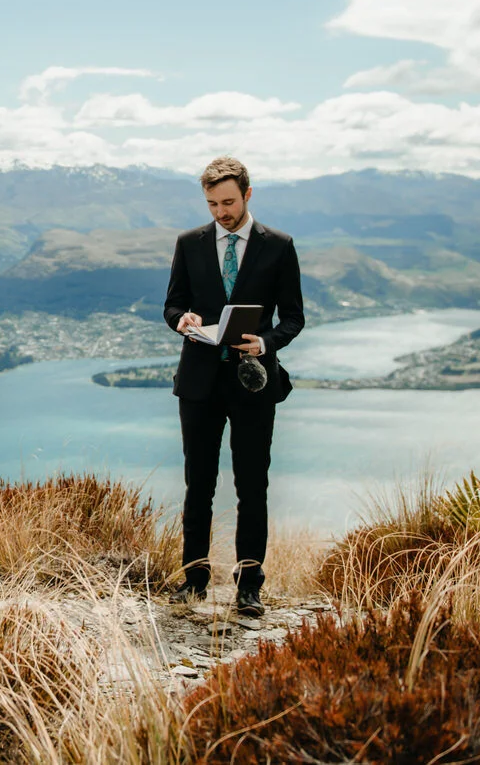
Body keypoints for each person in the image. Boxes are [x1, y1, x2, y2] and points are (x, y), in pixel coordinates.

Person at [162, 156, 304, 617]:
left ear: (247, 193)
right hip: (199, 383)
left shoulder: (279, 246)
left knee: (252, 486)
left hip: (253, 383)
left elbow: (294, 318)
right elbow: (173, 306)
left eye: (227, 201)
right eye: (211, 204)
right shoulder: (189, 243)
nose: (220, 212)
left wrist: (264, 341)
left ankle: (249, 585)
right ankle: (195, 579)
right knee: (197, 484)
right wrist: (181, 321)